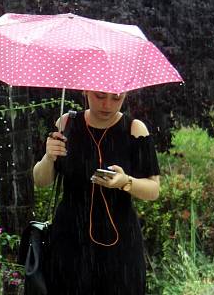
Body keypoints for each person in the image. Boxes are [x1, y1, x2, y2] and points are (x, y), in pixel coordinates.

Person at [32, 90, 161, 295]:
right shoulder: (67, 124)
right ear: (86, 91)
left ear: (125, 95)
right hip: (70, 240)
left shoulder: (134, 129)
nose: (107, 105)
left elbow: (153, 189)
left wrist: (125, 182)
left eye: (116, 98)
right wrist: (48, 157)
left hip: (121, 245)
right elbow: (40, 181)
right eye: (100, 96)